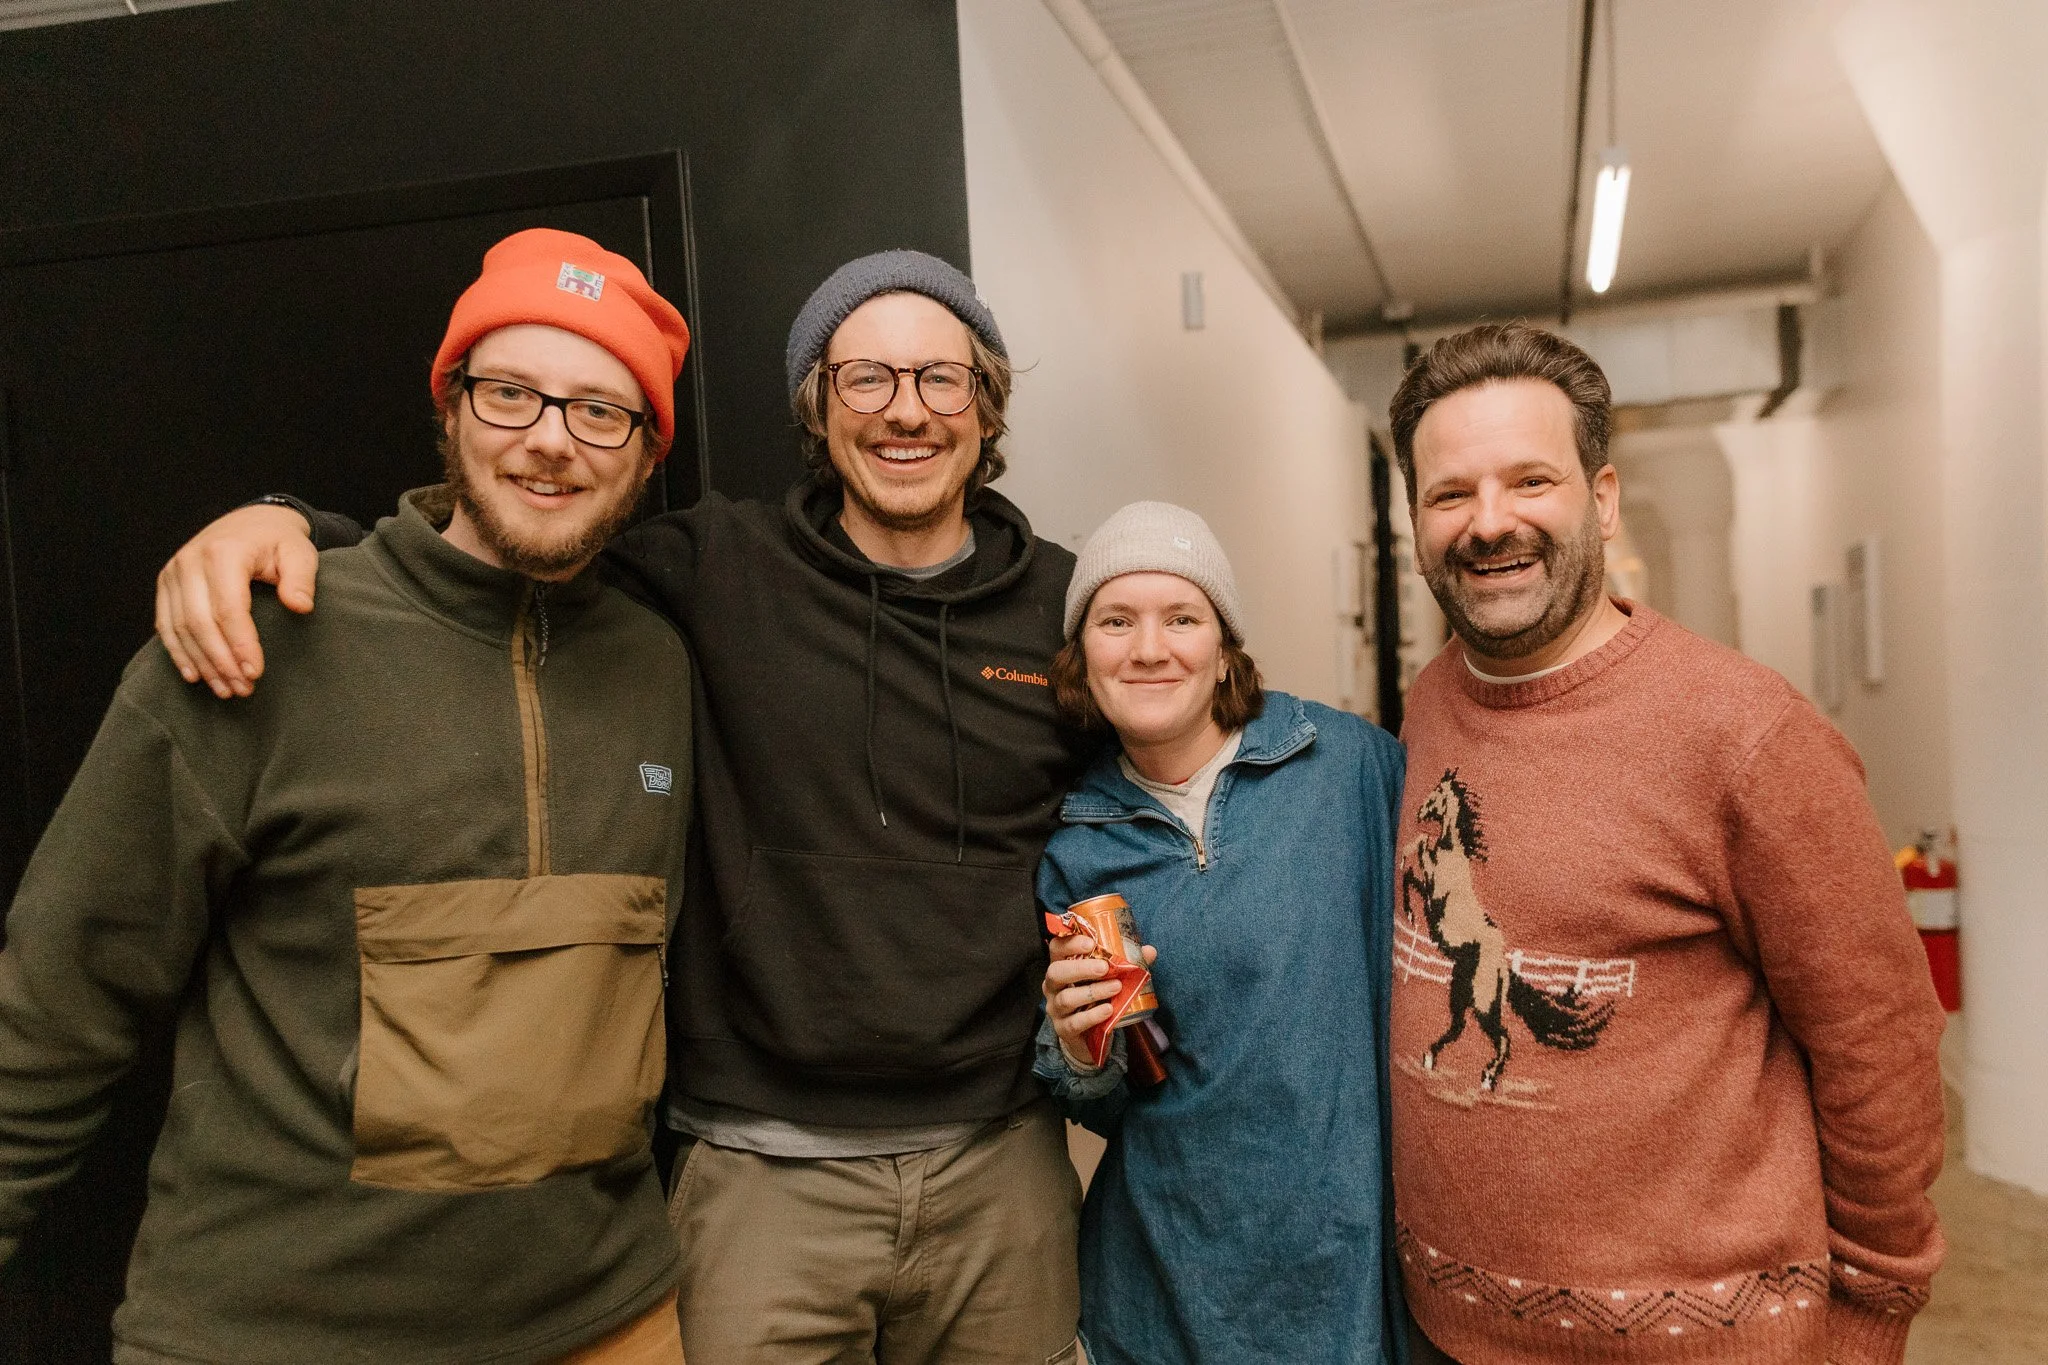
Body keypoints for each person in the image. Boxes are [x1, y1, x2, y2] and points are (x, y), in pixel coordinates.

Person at [150, 250, 1088, 1363]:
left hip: (1000, 1152)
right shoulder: (714, 566)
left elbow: (1180, 724)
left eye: (941, 378)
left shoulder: (1065, 606)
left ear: (986, 404)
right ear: (817, 406)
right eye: (865, 378)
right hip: (759, 1168)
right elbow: (507, 546)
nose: (906, 411)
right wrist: (289, 523)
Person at [0, 228, 694, 1362]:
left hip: (607, 1319)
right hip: (283, 1331)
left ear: (648, 449)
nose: (549, 438)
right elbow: (55, 1001)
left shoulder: (660, 665)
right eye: (510, 393)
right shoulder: (256, 639)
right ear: (451, 404)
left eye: (599, 410)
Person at [1383, 322, 1945, 1365]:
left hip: (1697, 1344)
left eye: (1530, 481)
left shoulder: (1746, 734)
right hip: (1443, 1332)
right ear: (1414, 519)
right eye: (1450, 493)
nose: (1488, 523)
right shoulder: (1429, 702)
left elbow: (1878, 1038)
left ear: (1600, 499)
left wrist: (1871, 1308)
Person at [1036, 501, 1408, 1365]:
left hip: (1343, 1263)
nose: (1149, 648)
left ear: (1225, 645)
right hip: (1166, 1277)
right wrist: (1078, 1051)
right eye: (1116, 621)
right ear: (1080, 654)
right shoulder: (1077, 847)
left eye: (1182, 618)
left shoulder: (1346, 766)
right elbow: (1103, 1105)